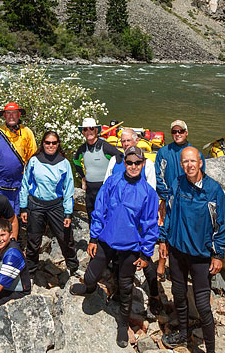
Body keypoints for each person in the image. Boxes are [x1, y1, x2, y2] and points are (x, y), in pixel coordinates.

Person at [70, 147, 158, 348]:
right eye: (129, 162)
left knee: (125, 287)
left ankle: (122, 323)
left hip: (131, 246)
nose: (133, 166)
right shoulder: (112, 181)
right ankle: (89, 288)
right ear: (124, 163)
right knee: (91, 275)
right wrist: (93, 238)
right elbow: (99, 209)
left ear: (143, 164)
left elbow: (150, 226)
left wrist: (145, 253)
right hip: (106, 240)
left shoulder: (148, 193)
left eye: (137, 163)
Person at [159, 147, 225, 353]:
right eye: (184, 162)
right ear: (181, 165)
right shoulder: (177, 184)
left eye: (192, 161)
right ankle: (183, 334)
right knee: (178, 294)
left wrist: (218, 254)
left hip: (200, 255)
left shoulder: (213, 190)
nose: (189, 165)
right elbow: (169, 214)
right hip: (177, 251)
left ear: (200, 162)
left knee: (203, 305)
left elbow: (223, 224)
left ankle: (210, 350)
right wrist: (163, 239)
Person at [106, 136, 161, 318]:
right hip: (122, 222)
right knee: (118, 259)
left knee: (146, 262)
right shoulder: (117, 161)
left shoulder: (148, 166)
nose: (125, 143)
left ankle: (154, 295)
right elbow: (109, 184)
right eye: (122, 141)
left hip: (139, 222)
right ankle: (119, 291)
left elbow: (149, 191)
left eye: (128, 140)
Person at [19, 131, 79, 282]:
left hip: (56, 206)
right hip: (36, 205)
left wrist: (68, 213)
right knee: (33, 239)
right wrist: (23, 207)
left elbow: (68, 189)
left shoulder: (64, 163)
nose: (51, 145)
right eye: (47, 143)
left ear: (58, 144)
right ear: (43, 144)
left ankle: (73, 267)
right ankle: (31, 270)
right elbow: (25, 184)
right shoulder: (34, 161)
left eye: (54, 143)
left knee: (66, 238)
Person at [153, 119, 205, 280]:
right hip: (168, 198)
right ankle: (161, 264)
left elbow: (201, 177)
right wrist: (166, 193)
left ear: (186, 133)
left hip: (188, 199)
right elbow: (158, 175)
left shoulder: (195, 153)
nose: (177, 134)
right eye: (174, 132)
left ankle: (187, 265)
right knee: (164, 230)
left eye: (180, 131)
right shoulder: (164, 152)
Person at [0, 101, 36, 214]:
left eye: (14, 113)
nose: (11, 116)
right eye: (8, 113)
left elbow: (33, 160)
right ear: (5, 116)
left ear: (19, 115)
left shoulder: (27, 132)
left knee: (14, 217)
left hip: (17, 186)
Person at [74, 117, 121, 218]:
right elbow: (76, 161)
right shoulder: (82, 149)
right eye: (85, 129)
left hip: (105, 188)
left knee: (106, 217)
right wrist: (83, 177)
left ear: (96, 130)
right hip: (90, 190)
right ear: (83, 132)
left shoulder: (105, 147)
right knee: (92, 216)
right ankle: (92, 234)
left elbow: (121, 158)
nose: (88, 131)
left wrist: (115, 180)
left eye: (91, 128)